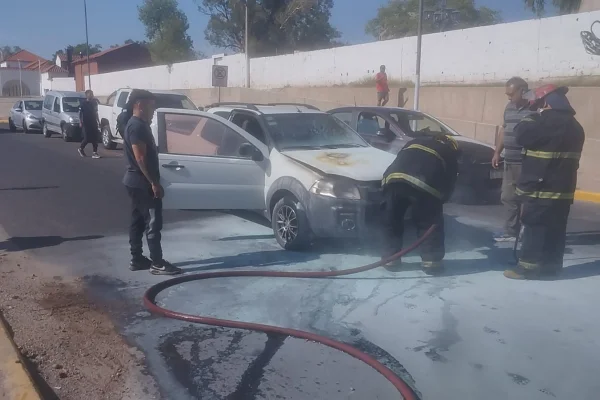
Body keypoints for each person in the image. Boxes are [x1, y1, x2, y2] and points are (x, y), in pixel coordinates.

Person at [503, 84, 585, 280]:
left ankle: (527, 268)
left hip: (540, 189)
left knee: (534, 226)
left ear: (545, 102)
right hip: (563, 191)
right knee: (556, 229)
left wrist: (532, 113)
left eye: (539, 103)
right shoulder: (576, 126)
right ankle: (551, 266)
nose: (537, 107)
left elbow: (521, 134)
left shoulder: (541, 122)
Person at [381, 132, 460, 275]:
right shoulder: (448, 152)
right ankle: (431, 262)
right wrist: (441, 201)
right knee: (429, 222)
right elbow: (449, 182)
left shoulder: (414, 142)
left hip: (393, 180)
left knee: (393, 220)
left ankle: (390, 259)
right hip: (423, 184)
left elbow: (400, 161)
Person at [122, 89, 182, 275]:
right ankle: (157, 263)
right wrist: (154, 183)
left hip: (134, 180)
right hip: (141, 182)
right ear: (139, 104)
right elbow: (140, 158)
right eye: (151, 105)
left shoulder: (137, 124)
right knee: (152, 222)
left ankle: (137, 259)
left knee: (138, 221)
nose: (154, 109)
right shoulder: (137, 126)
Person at [491, 77, 534, 242]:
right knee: (508, 197)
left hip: (526, 161)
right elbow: (504, 130)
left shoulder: (534, 109)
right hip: (509, 160)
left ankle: (526, 231)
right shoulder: (509, 107)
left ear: (522, 91)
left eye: (511, 94)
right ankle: (510, 231)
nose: (508, 97)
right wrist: (497, 152)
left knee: (526, 199)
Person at [78, 90, 101, 159]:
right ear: (87, 95)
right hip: (86, 122)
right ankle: (81, 148)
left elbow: (96, 113)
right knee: (87, 138)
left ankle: (95, 152)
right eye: (90, 94)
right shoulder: (83, 103)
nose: (91, 95)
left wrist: (98, 121)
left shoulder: (94, 103)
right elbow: (80, 113)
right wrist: (80, 121)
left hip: (93, 122)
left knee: (95, 138)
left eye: (92, 94)